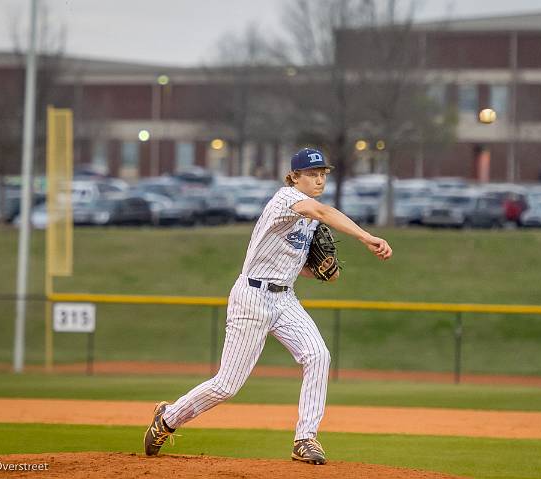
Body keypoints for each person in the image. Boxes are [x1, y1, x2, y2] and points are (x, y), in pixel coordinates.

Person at [144, 147, 393, 464]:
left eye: (322, 175)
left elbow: (296, 259)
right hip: (252, 297)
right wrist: (365, 237)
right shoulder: (286, 200)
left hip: (285, 297)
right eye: (312, 174)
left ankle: (305, 439)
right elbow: (322, 212)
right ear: (295, 177)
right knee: (227, 385)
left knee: (318, 356)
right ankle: (168, 418)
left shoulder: (309, 217)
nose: (319, 180)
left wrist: (317, 271)